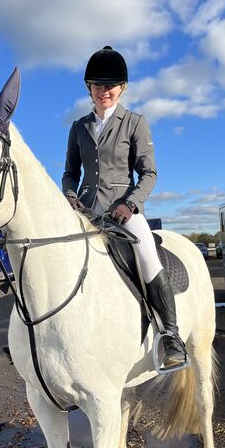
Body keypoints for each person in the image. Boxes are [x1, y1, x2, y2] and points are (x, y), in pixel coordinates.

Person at [62, 46, 186, 370]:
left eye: (111, 84)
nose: (105, 90)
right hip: (87, 210)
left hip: (123, 211)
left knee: (147, 257)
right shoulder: (78, 127)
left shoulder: (134, 122)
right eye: (98, 85)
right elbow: (70, 173)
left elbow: (149, 173)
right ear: (88, 88)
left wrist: (130, 204)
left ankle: (171, 337)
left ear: (123, 87)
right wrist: (70, 196)